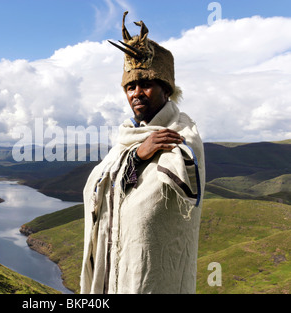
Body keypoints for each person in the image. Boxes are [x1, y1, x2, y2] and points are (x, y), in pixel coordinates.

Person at [80, 12, 206, 294]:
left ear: (166, 90)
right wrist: (137, 155)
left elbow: (181, 177)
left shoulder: (182, 133)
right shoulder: (128, 136)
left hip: (155, 264)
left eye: (146, 84)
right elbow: (104, 185)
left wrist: (140, 155)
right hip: (115, 257)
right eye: (130, 86)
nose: (136, 93)